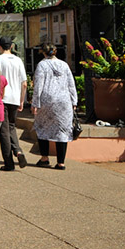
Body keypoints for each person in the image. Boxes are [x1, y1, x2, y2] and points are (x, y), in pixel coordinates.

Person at [32, 42, 77, 170]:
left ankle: (44, 158)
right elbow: (71, 84)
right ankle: (61, 162)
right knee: (62, 129)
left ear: (43, 52)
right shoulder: (64, 65)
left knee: (42, 127)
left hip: (47, 100)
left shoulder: (42, 65)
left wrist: (35, 103)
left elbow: (38, 85)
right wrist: (74, 101)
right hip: (64, 101)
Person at [0, 36, 28, 170]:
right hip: (15, 97)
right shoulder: (18, 60)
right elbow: (24, 83)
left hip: (2, 98)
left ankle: (9, 163)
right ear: (12, 46)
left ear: (0, 46)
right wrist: (22, 100)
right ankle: (18, 151)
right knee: (12, 126)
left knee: (3, 131)